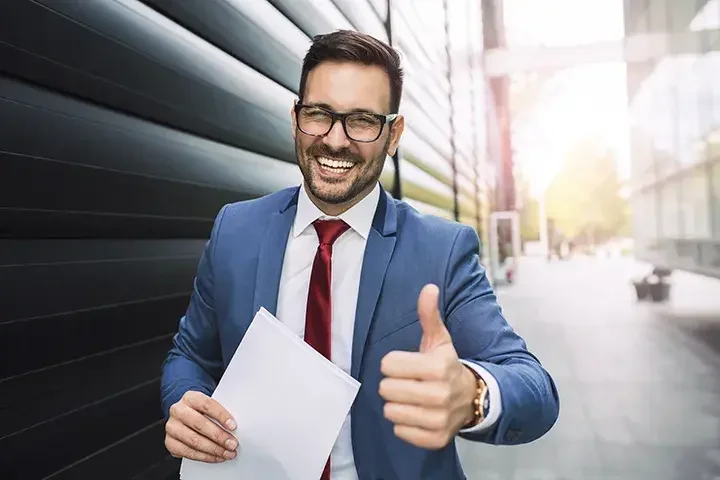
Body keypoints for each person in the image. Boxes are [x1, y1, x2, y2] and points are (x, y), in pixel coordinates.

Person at [161, 29, 559, 480]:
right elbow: (190, 355)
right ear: (296, 117)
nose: (335, 140)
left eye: (363, 121)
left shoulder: (441, 250)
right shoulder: (235, 229)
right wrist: (185, 401)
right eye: (318, 114)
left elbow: (535, 389)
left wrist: (471, 395)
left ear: (393, 135)